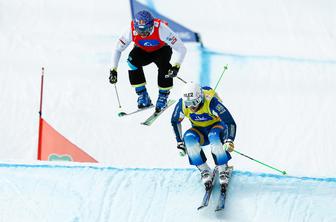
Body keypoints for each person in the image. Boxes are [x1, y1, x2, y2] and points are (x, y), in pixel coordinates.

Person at [109, 10, 187, 112]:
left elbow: (182, 49)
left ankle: (163, 96)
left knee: (165, 66)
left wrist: (176, 66)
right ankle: (143, 96)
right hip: (143, 51)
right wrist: (113, 70)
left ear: (151, 26)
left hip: (161, 50)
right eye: (139, 31)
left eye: (145, 31)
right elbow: (117, 49)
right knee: (131, 61)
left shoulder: (162, 29)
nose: (142, 34)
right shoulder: (130, 30)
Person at [171, 82, 236, 188]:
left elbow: (230, 122)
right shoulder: (182, 104)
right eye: (188, 103)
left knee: (214, 136)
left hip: (218, 128)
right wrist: (179, 142)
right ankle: (204, 170)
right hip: (200, 131)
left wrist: (230, 139)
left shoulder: (211, 103)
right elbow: (175, 121)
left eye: (195, 102)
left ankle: (223, 168)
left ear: (200, 97)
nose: (191, 107)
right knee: (188, 138)